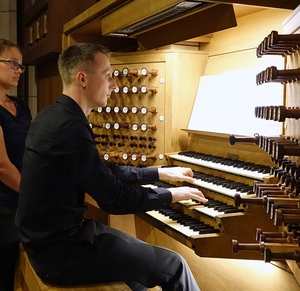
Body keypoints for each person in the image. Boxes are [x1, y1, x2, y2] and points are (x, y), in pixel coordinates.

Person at [15, 43, 207, 291]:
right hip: (61, 253)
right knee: (175, 265)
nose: (114, 85)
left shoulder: (53, 115)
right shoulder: (69, 127)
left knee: (138, 279)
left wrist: (160, 172)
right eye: (108, 76)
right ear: (83, 79)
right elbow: (113, 198)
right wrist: (170, 195)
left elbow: (105, 171)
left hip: (51, 240)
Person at [0, 39, 31, 291]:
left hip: (23, 197)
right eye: (12, 63)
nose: (19, 70)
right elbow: (2, 167)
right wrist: (37, 195)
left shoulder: (20, 105)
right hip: (3, 204)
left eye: (21, 66)